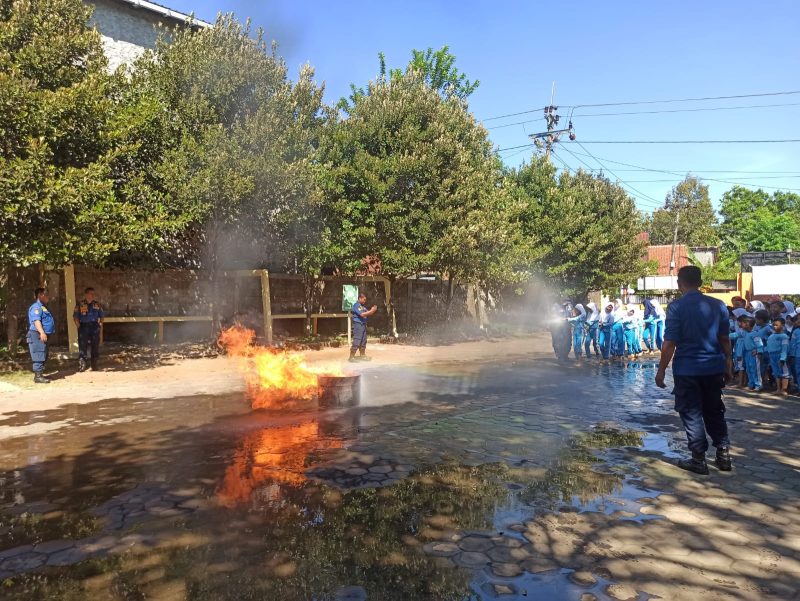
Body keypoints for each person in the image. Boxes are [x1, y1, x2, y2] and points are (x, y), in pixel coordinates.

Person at [655, 266, 733, 475]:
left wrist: (661, 370)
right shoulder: (718, 305)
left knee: (691, 413)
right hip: (713, 367)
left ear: (679, 283)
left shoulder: (676, 307)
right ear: (700, 282)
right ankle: (723, 454)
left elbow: (670, 342)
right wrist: (728, 362)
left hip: (688, 369)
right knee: (714, 409)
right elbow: (724, 339)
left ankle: (698, 459)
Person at [27, 287, 55, 384]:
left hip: (42, 334)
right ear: (40, 295)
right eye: (46, 294)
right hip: (37, 334)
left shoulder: (43, 306)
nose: (48, 296)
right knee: (39, 353)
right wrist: (42, 332)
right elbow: (36, 321)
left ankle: (40, 374)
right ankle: (38, 376)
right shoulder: (36, 307)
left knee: (44, 354)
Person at [73, 287, 104, 372]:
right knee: (83, 346)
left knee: (95, 345)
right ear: (86, 294)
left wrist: (100, 325)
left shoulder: (97, 304)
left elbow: (101, 316)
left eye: (94, 294)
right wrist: (79, 326)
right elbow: (75, 317)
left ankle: (94, 364)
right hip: (84, 326)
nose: (93, 295)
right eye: (91, 293)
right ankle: (82, 364)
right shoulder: (80, 304)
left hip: (94, 326)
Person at [765, 317, 790, 396]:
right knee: (776, 372)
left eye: (776, 325)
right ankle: (778, 389)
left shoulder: (784, 336)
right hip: (772, 356)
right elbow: (768, 347)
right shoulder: (771, 336)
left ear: (782, 325)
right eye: (773, 325)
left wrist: (783, 358)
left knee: (784, 373)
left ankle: (784, 389)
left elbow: (784, 348)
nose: (774, 326)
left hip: (780, 356)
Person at [349, 292, 377, 362]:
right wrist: (371, 311)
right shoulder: (356, 305)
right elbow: (362, 314)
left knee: (363, 340)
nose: (365, 301)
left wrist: (373, 310)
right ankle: (351, 357)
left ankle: (362, 355)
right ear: (360, 298)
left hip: (363, 325)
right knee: (357, 340)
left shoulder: (363, 307)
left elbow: (368, 313)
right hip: (358, 325)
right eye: (364, 299)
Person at [741, 316, 764, 391]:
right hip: (747, 353)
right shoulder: (744, 333)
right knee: (749, 369)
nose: (742, 324)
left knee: (755, 369)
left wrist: (758, 351)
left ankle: (758, 385)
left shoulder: (755, 334)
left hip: (754, 353)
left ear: (748, 324)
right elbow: (736, 335)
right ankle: (751, 384)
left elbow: (759, 344)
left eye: (744, 323)